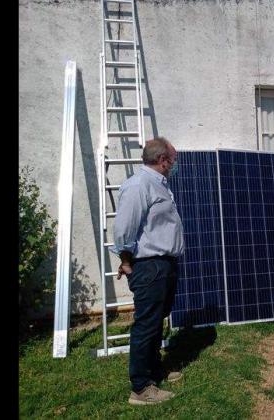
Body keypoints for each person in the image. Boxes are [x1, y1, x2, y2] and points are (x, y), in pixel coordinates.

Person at [112, 137, 184, 405]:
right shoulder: (139, 185)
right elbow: (124, 229)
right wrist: (126, 260)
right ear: (163, 160)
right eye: (173, 160)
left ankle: (154, 372)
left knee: (156, 322)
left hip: (163, 265)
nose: (174, 165)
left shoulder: (159, 185)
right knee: (146, 324)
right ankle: (141, 388)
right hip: (149, 266)